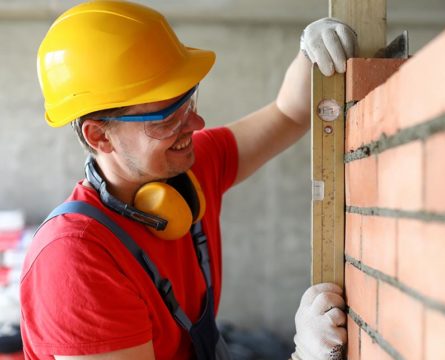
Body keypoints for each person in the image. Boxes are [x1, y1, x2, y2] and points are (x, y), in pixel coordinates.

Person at [20, 1, 356, 359]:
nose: (195, 126)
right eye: (166, 120)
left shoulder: (186, 170)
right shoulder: (75, 261)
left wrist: (311, 54)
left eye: (188, 103)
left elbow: (288, 114)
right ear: (99, 137)